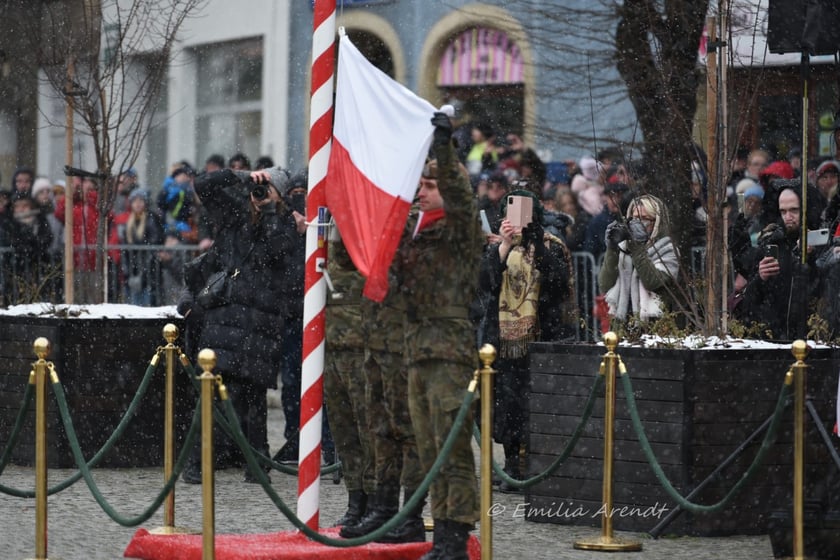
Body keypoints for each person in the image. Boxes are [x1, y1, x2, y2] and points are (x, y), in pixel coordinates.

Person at [395, 112, 483, 559]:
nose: (422, 192)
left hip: (449, 352)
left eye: (430, 187)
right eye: (422, 185)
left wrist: (444, 153)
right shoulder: (415, 236)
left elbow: (461, 201)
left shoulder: (460, 232)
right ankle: (442, 533)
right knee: (429, 453)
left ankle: (454, 536)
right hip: (418, 352)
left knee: (452, 452)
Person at [177, 165, 299, 483]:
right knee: (212, 394)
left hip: (260, 324)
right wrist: (241, 177)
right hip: (225, 320)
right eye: (259, 190)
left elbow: (275, 252)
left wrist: (272, 209)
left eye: (268, 190)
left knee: (253, 399)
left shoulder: (288, 225)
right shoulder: (235, 217)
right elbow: (203, 186)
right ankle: (196, 462)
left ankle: (256, 464)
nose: (260, 195)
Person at [478, 189, 576, 493]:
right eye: (510, 212)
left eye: (521, 212)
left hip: (540, 338)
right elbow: (485, 282)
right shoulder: (497, 246)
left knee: (534, 404)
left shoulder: (550, 245)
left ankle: (534, 464)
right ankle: (511, 464)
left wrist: (536, 241)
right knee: (506, 405)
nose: (514, 219)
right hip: (503, 342)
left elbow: (559, 283)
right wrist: (506, 245)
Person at [341, 213, 424, 544]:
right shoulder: (375, 208)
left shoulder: (417, 216)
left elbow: (416, 271)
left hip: (402, 339)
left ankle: (410, 515)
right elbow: (348, 262)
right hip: (374, 339)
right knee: (379, 429)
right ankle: (383, 507)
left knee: (407, 431)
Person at [324, 228, 374, 528]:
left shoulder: (365, 229)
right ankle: (355, 498)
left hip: (363, 348)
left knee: (368, 429)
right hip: (331, 346)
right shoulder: (325, 233)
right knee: (343, 431)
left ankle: (376, 498)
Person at [737, 185, 822, 340]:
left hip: (812, 335)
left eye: (794, 210)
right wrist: (760, 277)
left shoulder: (820, 242)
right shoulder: (771, 243)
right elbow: (751, 301)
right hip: (774, 336)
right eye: (783, 211)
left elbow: (820, 289)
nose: (788, 217)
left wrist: (809, 260)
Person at [599, 194, 680, 324]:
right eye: (635, 218)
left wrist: (637, 246)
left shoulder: (667, 250)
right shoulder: (624, 248)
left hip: (656, 325)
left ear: (657, 222)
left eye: (644, 219)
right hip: (623, 322)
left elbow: (652, 282)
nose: (637, 223)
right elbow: (605, 284)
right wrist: (612, 249)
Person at [113, 189, 164, 305]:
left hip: (148, 269)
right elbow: (126, 247)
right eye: (135, 200)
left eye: (141, 200)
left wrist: (144, 270)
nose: (138, 203)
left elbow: (154, 242)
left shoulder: (151, 218)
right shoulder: (129, 222)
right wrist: (127, 269)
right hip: (133, 268)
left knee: (147, 303)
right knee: (132, 304)